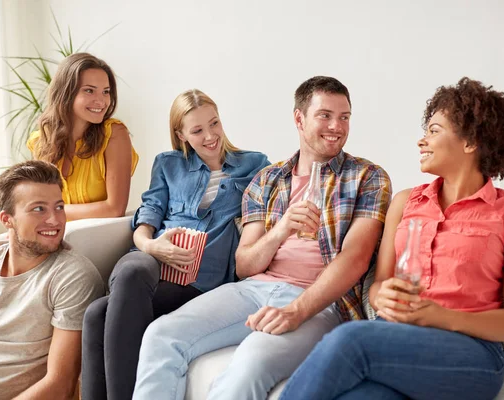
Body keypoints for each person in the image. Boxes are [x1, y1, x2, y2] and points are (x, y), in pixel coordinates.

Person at [279, 77, 504, 400]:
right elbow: (379, 287)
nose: (422, 141)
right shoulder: (405, 203)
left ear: (470, 141)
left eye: (434, 130)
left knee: (348, 341)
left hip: (472, 356)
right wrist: (381, 296)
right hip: (398, 341)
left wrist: (438, 315)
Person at [132, 76, 393, 400]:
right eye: (325, 115)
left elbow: (355, 260)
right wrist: (282, 229)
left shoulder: (367, 177)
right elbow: (244, 265)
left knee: (251, 360)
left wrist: (296, 310)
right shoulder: (268, 179)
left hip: (320, 303)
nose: (336, 126)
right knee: (161, 335)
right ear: (299, 118)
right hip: (253, 289)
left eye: (344, 117)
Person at [80, 89, 270, 400]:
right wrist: (153, 246)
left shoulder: (254, 164)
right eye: (197, 130)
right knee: (131, 273)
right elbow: (146, 220)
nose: (210, 136)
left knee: (96, 315)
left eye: (214, 124)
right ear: (180, 134)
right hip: (151, 261)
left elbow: (278, 200)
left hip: (199, 283)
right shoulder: (167, 164)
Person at [0, 160, 104, 400]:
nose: (55, 221)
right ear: (7, 219)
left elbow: (60, 385)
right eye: (39, 209)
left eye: (59, 207)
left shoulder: (71, 276)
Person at [27, 52, 139, 220]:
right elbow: (36, 204)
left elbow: (114, 209)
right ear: (66, 93)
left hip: (93, 236)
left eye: (105, 91)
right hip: (53, 233)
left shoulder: (114, 134)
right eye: (89, 91)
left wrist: (51, 210)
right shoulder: (40, 140)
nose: (101, 101)